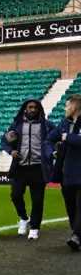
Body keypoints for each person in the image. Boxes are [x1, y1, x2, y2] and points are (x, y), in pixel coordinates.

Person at [1, 97, 56, 240]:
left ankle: (35, 228)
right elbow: (4, 141)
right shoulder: (16, 125)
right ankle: (24, 218)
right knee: (15, 195)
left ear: (39, 109)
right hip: (20, 167)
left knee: (38, 200)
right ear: (25, 109)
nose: (33, 110)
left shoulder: (47, 125)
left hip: (39, 168)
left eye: (35, 107)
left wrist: (53, 152)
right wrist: (10, 151)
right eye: (30, 107)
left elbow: (56, 141)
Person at [45, 94, 81, 251]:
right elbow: (47, 140)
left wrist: (69, 138)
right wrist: (52, 152)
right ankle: (78, 234)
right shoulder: (63, 124)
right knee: (71, 208)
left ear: (74, 107)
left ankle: (77, 236)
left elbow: (71, 139)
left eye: (66, 105)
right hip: (67, 174)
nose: (65, 108)